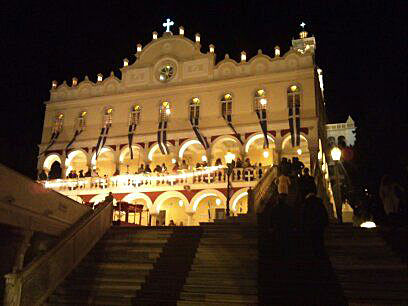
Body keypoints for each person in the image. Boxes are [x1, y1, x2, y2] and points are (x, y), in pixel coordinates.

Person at [302, 191, 328, 257]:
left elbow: (303, 216)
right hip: (319, 227)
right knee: (319, 242)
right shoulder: (320, 204)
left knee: (312, 242)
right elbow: (324, 215)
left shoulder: (306, 205)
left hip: (310, 227)